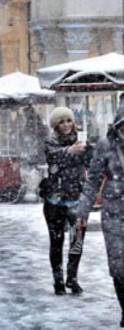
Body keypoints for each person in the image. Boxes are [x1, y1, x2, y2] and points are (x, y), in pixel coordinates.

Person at [77, 104, 124, 326]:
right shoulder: (106, 146)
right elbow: (93, 179)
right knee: (119, 266)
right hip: (114, 212)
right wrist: (83, 210)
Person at [42, 106, 92, 295]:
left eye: (68, 120)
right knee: (56, 242)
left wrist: (87, 150)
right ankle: (58, 280)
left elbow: (91, 163)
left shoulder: (82, 139)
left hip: (77, 200)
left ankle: (72, 278)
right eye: (61, 122)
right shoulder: (50, 142)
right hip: (54, 200)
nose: (66, 125)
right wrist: (69, 151)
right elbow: (53, 158)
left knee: (77, 240)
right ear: (55, 125)